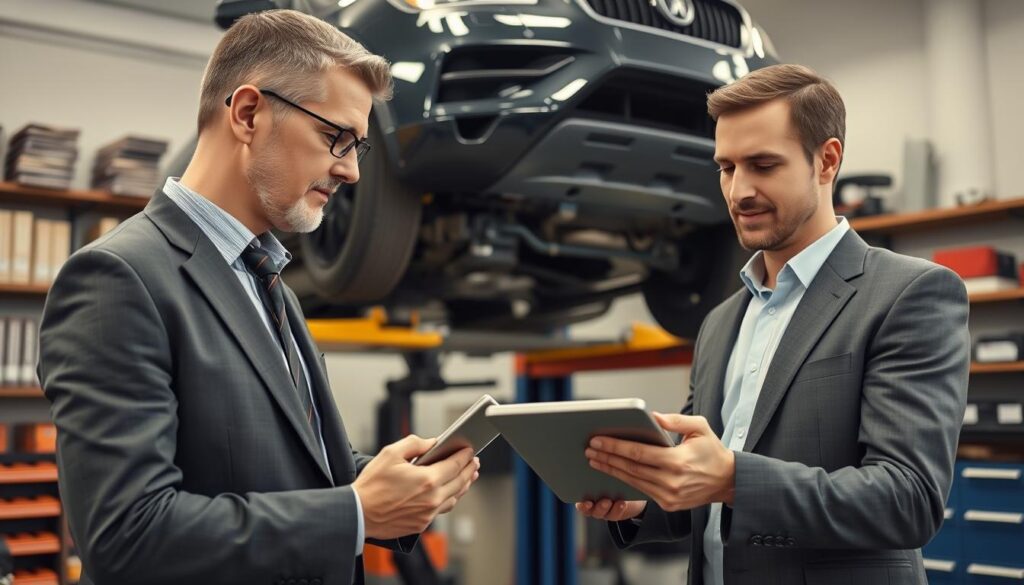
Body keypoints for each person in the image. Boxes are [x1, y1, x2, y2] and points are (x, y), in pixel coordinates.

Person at [37, 10, 479, 585]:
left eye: (357, 148)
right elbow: (127, 536)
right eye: (335, 138)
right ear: (248, 114)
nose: (351, 172)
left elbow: (293, 473)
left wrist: (400, 482)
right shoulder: (116, 279)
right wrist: (355, 511)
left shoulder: (268, 280)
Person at [577, 64, 970, 585]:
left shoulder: (910, 294)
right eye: (726, 168)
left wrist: (735, 478)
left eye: (763, 165)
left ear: (827, 161)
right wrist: (641, 501)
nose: (739, 192)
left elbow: (908, 500)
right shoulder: (719, 322)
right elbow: (703, 487)